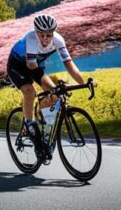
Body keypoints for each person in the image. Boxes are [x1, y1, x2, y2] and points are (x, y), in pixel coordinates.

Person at [6, 14, 86, 142]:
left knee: (54, 93)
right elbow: (31, 65)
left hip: (36, 64)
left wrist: (83, 83)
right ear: (36, 32)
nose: (45, 39)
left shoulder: (58, 40)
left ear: (53, 33)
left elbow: (69, 63)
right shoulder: (31, 38)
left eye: (48, 35)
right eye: (41, 35)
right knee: (30, 92)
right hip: (18, 65)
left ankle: (42, 122)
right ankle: (28, 125)